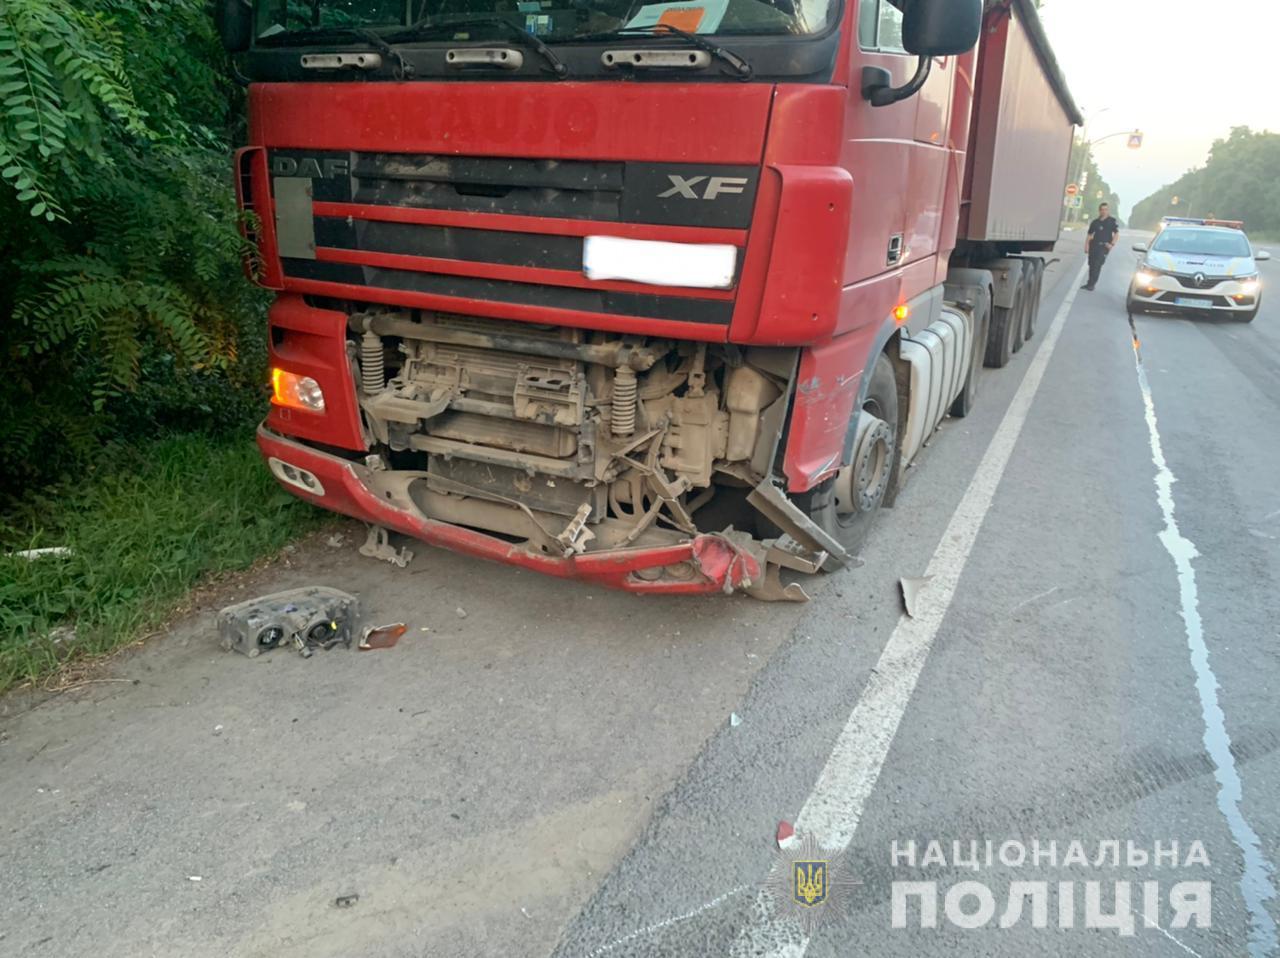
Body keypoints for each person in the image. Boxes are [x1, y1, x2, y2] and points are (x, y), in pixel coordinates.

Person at [1082, 202, 1119, 290]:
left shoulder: (1111, 221)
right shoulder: (1095, 222)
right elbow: (1090, 235)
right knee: (1091, 264)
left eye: (1106, 209)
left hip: (1104, 247)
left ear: (1108, 210)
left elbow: (1116, 233)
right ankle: (1089, 283)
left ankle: (1092, 284)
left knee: (1097, 265)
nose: (1104, 211)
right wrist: (1086, 246)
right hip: (1094, 245)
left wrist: (1112, 244)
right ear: (1099, 211)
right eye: (1102, 210)